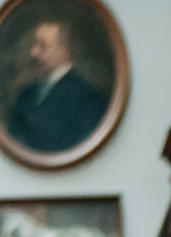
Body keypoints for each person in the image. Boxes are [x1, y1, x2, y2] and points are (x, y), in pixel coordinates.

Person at [6, 16, 106, 157]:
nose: (33, 52)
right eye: (35, 45)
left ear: (65, 51)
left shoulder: (88, 97)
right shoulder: (26, 93)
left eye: (43, 46)